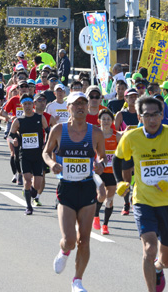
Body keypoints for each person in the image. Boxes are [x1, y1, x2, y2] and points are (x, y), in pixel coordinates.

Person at [113, 96, 168, 292]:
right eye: (147, 115)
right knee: (149, 249)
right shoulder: (131, 137)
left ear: (162, 116)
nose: (152, 120)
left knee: (167, 260)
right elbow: (118, 160)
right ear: (140, 117)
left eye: (156, 115)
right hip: (143, 200)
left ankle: (159, 269)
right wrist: (120, 181)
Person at [43, 92, 106, 292]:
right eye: (76, 104)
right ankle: (64, 251)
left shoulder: (95, 132)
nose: (80, 107)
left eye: (83, 104)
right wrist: (52, 163)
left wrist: (100, 165)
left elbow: (102, 157)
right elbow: (46, 152)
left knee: (84, 240)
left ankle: (77, 281)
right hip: (67, 189)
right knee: (70, 240)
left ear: (87, 108)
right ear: (68, 108)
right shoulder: (58, 130)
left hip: (87, 188)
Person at [10, 93, 49, 215]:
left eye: (29, 104)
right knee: (27, 180)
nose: (27, 106)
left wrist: (46, 144)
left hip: (38, 155)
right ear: (21, 106)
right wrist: (14, 140)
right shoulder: (18, 120)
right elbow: (10, 135)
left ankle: (30, 191)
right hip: (24, 155)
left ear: (33, 104)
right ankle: (28, 207)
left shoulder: (39, 118)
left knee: (37, 184)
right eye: (25, 104)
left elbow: (48, 131)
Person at [93, 109, 122, 235]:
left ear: (112, 121)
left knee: (109, 199)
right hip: (98, 170)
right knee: (101, 195)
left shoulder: (117, 135)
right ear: (99, 121)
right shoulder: (95, 134)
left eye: (108, 119)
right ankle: (96, 215)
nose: (106, 121)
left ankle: (105, 225)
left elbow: (124, 152)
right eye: (103, 119)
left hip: (112, 171)